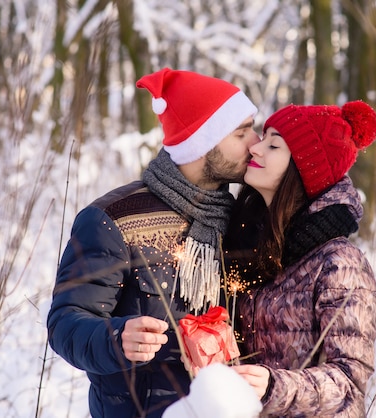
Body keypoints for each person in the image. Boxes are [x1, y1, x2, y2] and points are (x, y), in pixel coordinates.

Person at [47, 67, 258, 418]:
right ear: (203, 143)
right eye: (241, 133)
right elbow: (65, 322)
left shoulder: (241, 221)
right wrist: (117, 338)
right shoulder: (112, 219)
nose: (255, 142)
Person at [225, 101, 376, 417]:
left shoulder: (339, 263)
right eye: (262, 137)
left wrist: (273, 387)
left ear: (304, 166)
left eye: (274, 145)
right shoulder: (248, 242)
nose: (256, 149)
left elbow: (348, 384)